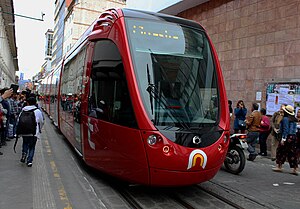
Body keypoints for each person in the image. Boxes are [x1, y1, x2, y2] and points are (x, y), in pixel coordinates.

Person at [17, 97, 44, 167]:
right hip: (33, 133)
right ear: (35, 103)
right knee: (32, 146)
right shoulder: (37, 111)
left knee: (25, 143)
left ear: (27, 103)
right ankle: (29, 161)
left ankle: (24, 154)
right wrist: (39, 129)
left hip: (24, 132)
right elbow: (41, 121)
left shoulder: (23, 110)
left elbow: (18, 121)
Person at [272, 105, 298, 175]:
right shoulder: (294, 119)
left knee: (280, 151)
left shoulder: (285, 119)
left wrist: (283, 138)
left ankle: (279, 166)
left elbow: (286, 129)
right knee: (292, 153)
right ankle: (295, 168)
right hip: (293, 137)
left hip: (287, 137)